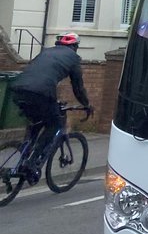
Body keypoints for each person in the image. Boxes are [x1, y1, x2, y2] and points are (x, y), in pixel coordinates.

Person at [9, 33, 92, 182]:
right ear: (75, 47)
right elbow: (78, 88)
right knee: (55, 125)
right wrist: (86, 105)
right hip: (41, 93)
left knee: (36, 120)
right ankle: (31, 163)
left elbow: (38, 74)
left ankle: (26, 149)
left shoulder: (46, 52)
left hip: (18, 89)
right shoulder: (73, 58)